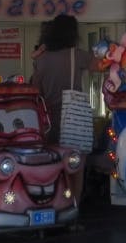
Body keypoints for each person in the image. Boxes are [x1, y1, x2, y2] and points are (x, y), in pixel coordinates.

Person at [30, 14, 93, 146]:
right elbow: (101, 65)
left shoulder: (41, 58)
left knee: (50, 157)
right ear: (73, 34)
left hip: (48, 118)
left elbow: (36, 89)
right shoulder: (77, 55)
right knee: (74, 160)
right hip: (73, 117)